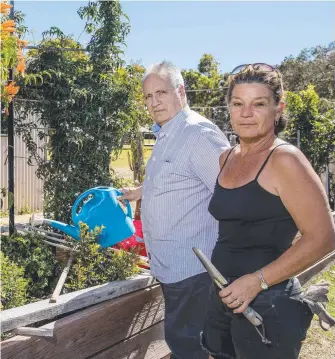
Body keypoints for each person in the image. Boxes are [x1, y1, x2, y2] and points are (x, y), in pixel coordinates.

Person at [201, 63, 335, 359]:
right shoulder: (227, 157)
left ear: (278, 108)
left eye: (258, 104)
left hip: (267, 303)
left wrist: (257, 281)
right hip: (223, 296)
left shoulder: (284, 159)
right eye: (238, 103)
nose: (245, 113)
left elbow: (324, 236)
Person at [120, 61, 230, 359]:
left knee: (188, 344)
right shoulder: (167, 133)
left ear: (180, 91)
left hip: (193, 268)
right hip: (171, 265)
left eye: (161, 93)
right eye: (147, 97)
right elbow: (176, 177)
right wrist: (136, 192)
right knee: (185, 339)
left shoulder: (196, 133)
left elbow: (230, 193)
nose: (154, 102)